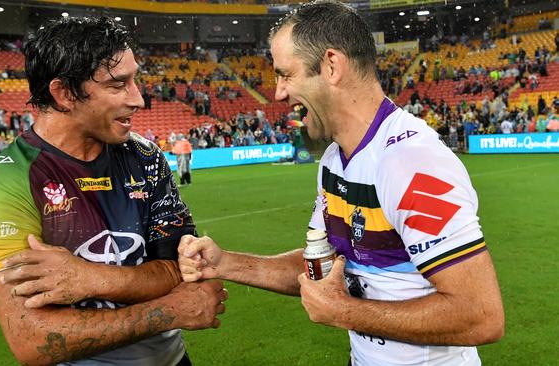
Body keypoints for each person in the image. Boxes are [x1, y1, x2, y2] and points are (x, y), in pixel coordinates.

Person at [178, 2, 504, 365]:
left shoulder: (410, 162)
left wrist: (343, 312)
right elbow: (325, 265)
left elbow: (480, 314)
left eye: (286, 74)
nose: (278, 93)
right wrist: (224, 264)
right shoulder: (334, 160)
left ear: (331, 65)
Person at [0, 17, 226, 366]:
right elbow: (32, 339)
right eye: (118, 84)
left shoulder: (144, 156)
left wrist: (88, 278)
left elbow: (181, 270)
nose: (139, 100)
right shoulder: (11, 181)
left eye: (135, 80)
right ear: (64, 93)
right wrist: (169, 310)